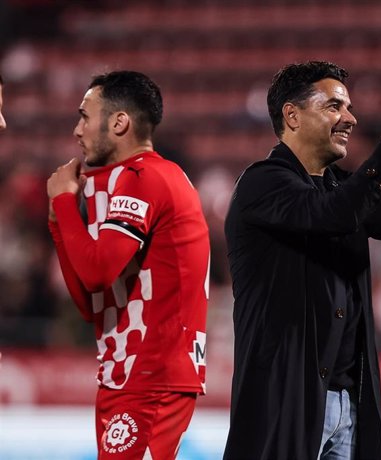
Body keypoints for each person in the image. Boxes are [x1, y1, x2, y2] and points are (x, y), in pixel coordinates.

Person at [223, 61, 381, 460]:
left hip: (348, 404)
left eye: (347, 107)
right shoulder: (261, 183)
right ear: (292, 115)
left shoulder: (341, 188)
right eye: (334, 107)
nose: (350, 118)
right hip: (285, 401)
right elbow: (335, 214)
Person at [46, 70, 210, 459]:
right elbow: (92, 299)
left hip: (152, 375)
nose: (77, 130)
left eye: (85, 116)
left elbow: (98, 271)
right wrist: (59, 222)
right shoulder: (120, 182)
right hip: (126, 374)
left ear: (119, 122)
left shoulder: (146, 177)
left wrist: (65, 204)